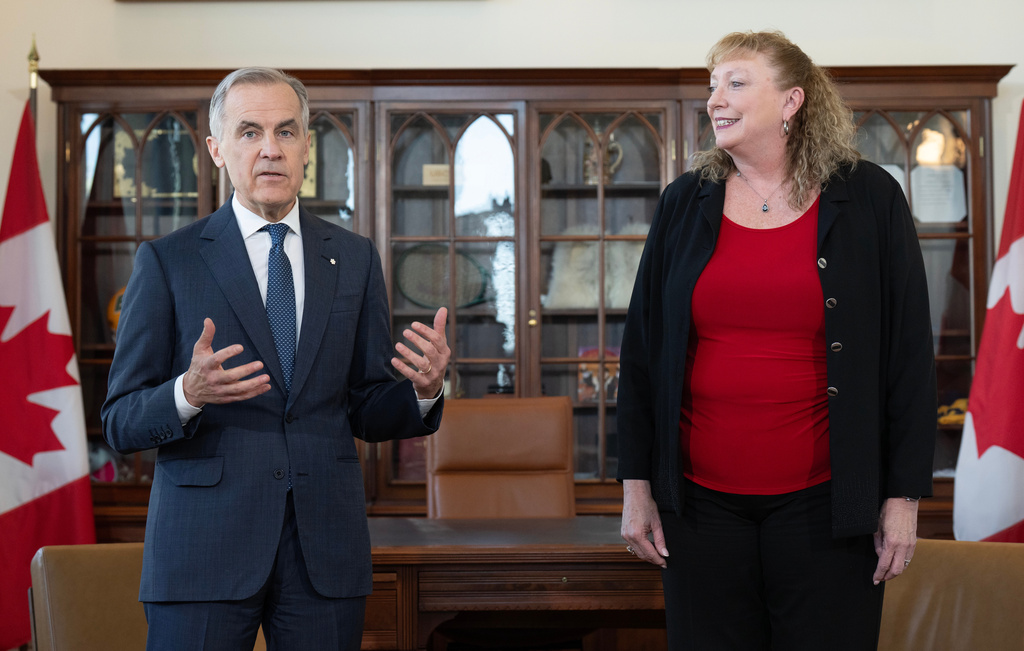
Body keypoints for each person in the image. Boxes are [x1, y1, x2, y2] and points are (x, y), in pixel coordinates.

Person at [101, 67, 450, 651]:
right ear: (216, 149)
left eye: (286, 132)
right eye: (249, 132)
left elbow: (365, 407)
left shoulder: (355, 258)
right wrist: (187, 394)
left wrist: (423, 390)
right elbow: (119, 420)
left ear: (307, 146)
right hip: (203, 552)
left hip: (324, 551)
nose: (270, 149)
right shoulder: (169, 262)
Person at [617, 31, 936, 650]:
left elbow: (908, 359)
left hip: (828, 508)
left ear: (792, 101)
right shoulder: (685, 202)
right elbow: (642, 355)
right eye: (713, 86)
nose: (716, 100)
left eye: (736, 83)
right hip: (699, 510)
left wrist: (903, 499)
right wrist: (636, 488)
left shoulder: (869, 197)